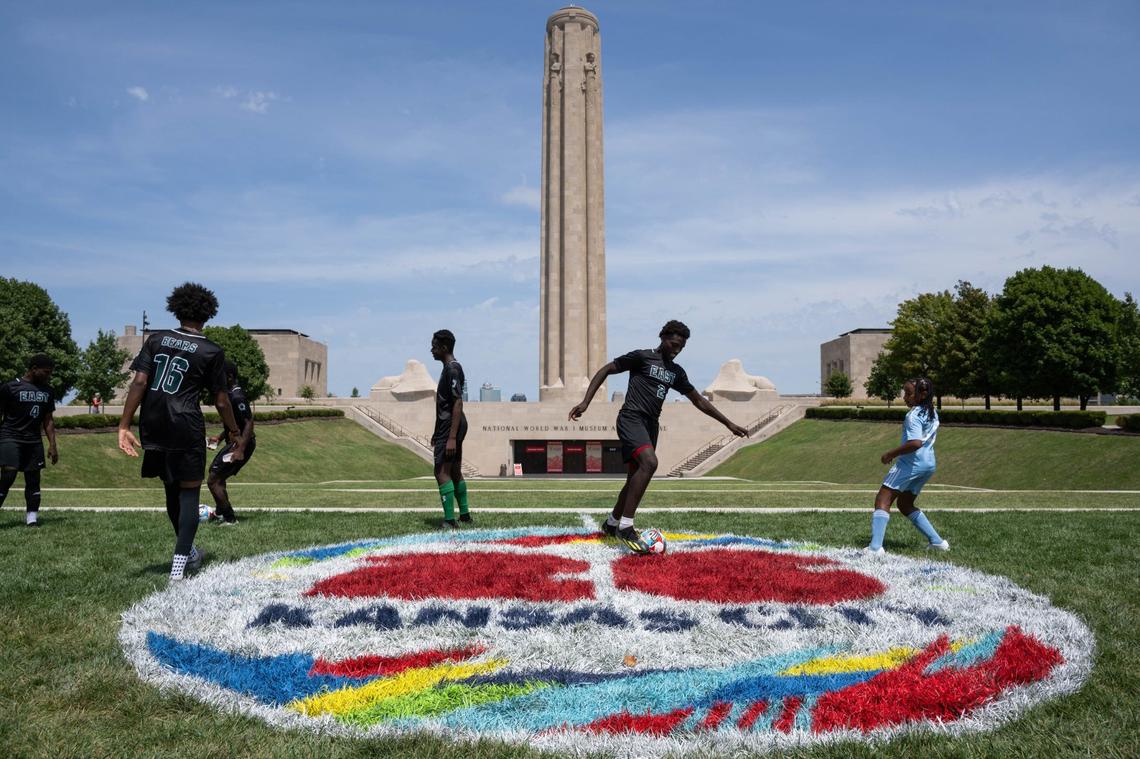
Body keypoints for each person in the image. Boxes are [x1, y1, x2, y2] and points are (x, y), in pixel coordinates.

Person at [569, 320, 749, 554]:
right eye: (674, 344)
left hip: (651, 425)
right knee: (650, 463)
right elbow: (606, 369)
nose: (676, 350)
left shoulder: (676, 372)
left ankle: (612, 523)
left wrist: (728, 423)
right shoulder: (642, 357)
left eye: (681, 347)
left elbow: (698, 400)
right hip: (631, 418)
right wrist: (586, 402)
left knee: (635, 476)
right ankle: (626, 526)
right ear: (663, 338)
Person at [117, 282, 245, 581]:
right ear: (209, 313)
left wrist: (124, 424)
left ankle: (186, 552)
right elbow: (222, 399)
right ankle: (180, 563)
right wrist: (234, 431)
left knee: (170, 489)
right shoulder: (211, 351)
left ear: (176, 308)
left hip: (154, 422)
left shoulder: (157, 340)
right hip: (185, 423)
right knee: (189, 493)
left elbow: (139, 383)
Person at [866, 377, 950, 554]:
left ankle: (875, 548)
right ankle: (937, 542)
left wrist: (890, 454)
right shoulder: (932, 412)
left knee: (883, 499)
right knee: (905, 504)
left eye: (909, 393)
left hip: (910, 464)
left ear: (922, 394)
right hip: (928, 464)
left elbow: (915, 443)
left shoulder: (913, 415)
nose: (904, 397)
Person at [0, 354, 58, 527]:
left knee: (33, 479)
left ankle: (31, 519)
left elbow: (48, 420)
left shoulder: (48, 391)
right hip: (10, 436)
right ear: (34, 369)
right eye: (46, 372)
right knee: (8, 474)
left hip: (33, 441)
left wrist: (53, 445)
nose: (48, 376)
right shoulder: (10, 387)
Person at [430, 329, 471, 528]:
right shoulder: (448, 368)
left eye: (434, 346)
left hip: (452, 425)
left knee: (441, 471)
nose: (431, 350)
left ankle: (449, 520)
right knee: (454, 470)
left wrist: (451, 437)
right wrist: (436, 433)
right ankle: (464, 515)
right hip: (448, 425)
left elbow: (457, 403)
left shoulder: (452, 369)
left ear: (444, 347)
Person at [206, 360, 255, 525]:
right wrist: (219, 438)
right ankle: (221, 512)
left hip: (241, 445)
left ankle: (229, 518)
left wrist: (240, 449)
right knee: (217, 477)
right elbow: (235, 423)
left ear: (229, 376)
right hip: (234, 443)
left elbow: (248, 422)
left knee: (213, 480)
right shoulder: (230, 393)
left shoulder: (237, 396)